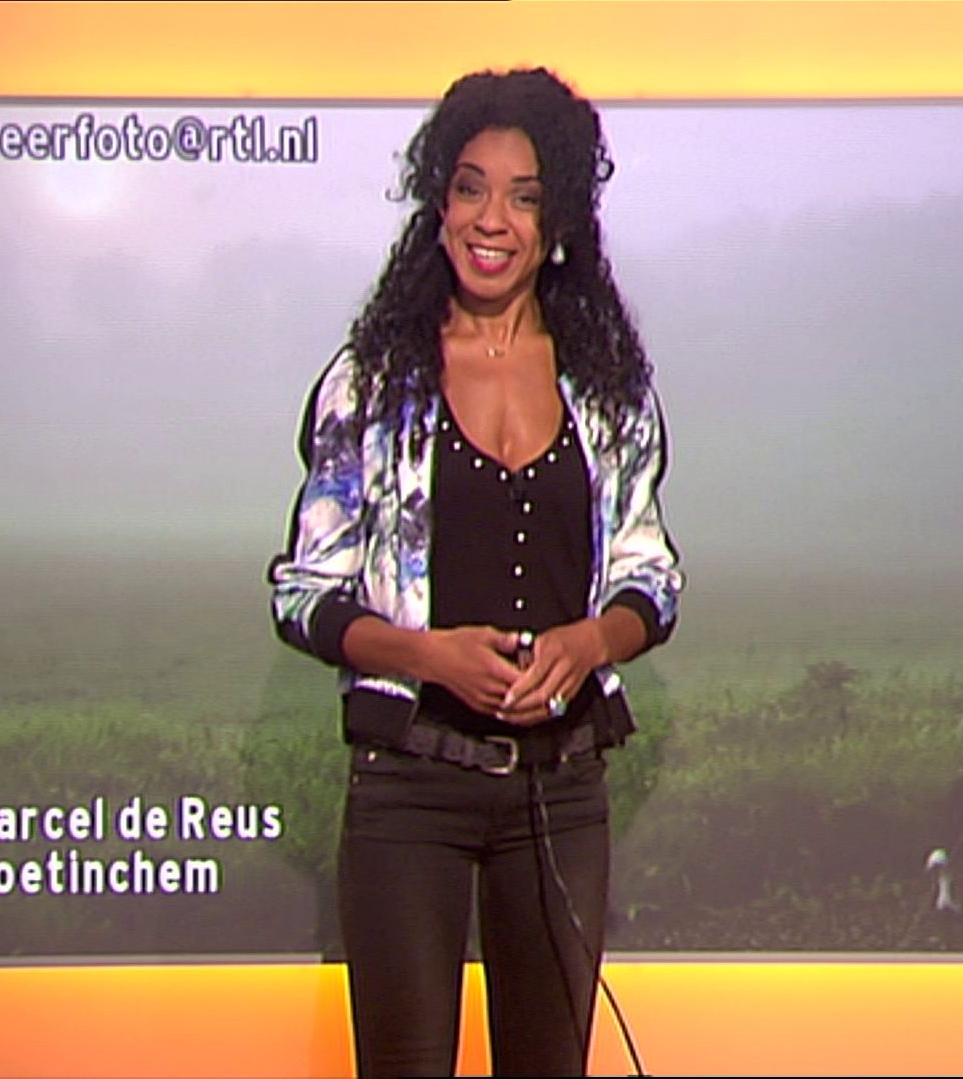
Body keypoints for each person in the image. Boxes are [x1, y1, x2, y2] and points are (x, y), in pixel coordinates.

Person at [267, 67, 682, 1078]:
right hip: (409, 788)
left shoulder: (607, 388)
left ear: (560, 221)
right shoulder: (372, 382)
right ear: (438, 204)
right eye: (469, 188)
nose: (490, 219)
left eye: (523, 196)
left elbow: (652, 576)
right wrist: (428, 657)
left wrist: (591, 641)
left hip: (561, 794)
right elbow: (304, 591)